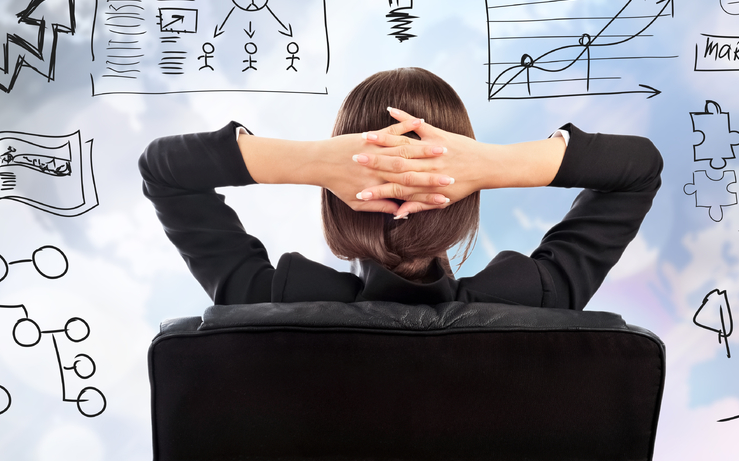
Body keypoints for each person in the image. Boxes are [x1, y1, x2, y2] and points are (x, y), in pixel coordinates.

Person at [139, 67, 662, 309]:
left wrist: (315, 159)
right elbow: (638, 168)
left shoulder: (264, 303)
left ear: (335, 196)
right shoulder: (540, 302)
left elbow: (165, 170)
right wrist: (495, 164)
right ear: (465, 195)